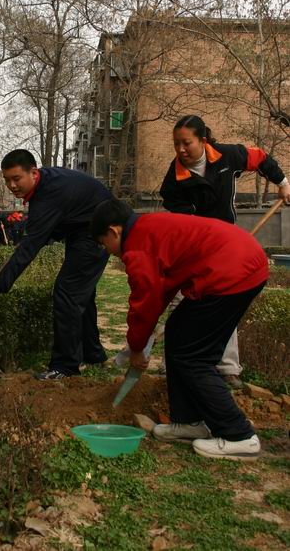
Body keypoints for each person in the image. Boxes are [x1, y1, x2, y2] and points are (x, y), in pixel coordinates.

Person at [91, 198, 268, 460]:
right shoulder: (146, 228)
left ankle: (239, 435)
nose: (106, 250)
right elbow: (162, 288)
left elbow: (145, 300)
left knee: (193, 356)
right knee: (177, 334)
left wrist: (138, 348)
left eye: (103, 243)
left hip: (231, 273)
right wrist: (141, 340)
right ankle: (189, 421)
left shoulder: (137, 247)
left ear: (114, 231)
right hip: (239, 262)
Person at [159, 114, 290, 387]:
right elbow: (182, 223)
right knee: (183, 300)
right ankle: (171, 361)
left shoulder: (228, 157)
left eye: (186, 143)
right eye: (176, 144)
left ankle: (228, 367)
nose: (181, 150)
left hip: (227, 244)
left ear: (202, 140)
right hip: (194, 247)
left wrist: (283, 183)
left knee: (224, 298)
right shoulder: (174, 181)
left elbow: (260, 158)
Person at [0, 149, 111, 380]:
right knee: (81, 294)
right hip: (83, 228)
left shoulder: (49, 195)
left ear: (33, 172)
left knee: (67, 292)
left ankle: (65, 366)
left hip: (100, 232)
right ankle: (93, 354)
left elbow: (28, 248)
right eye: (7, 180)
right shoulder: (45, 184)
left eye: (16, 178)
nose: (11, 185)